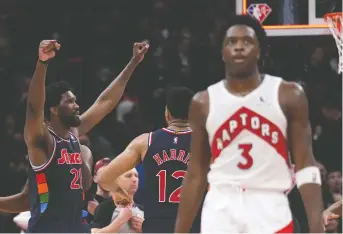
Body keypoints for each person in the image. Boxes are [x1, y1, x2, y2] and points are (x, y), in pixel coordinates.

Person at [174, 15, 324, 233]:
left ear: (259, 50)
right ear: (222, 51)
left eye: (247, 41)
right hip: (221, 207)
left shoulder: (288, 95)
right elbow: (196, 173)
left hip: (270, 206)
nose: (239, 47)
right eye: (232, 42)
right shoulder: (203, 102)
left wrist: (316, 227)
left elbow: (305, 164)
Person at [23, 39, 148, 233]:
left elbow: (105, 102)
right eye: (70, 102)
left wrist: (133, 63)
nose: (77, 105)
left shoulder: (73, 134)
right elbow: (33, 108)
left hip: (76, 227)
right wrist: (42, 63)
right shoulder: (43, 139)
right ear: (54, 109)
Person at [97, 87, 201, 233]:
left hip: (155, 228)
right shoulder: (207, 143)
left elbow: (104, 180)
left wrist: (122, 195)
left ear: (167, 114)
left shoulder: (145, 142)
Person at [91, 168, 144, 233]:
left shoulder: (142, 208)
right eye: (128, 176)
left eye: (136, 176)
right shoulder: (105, 208)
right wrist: (120, 220)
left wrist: (145, 229)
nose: (134, 179)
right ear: (117, 181)